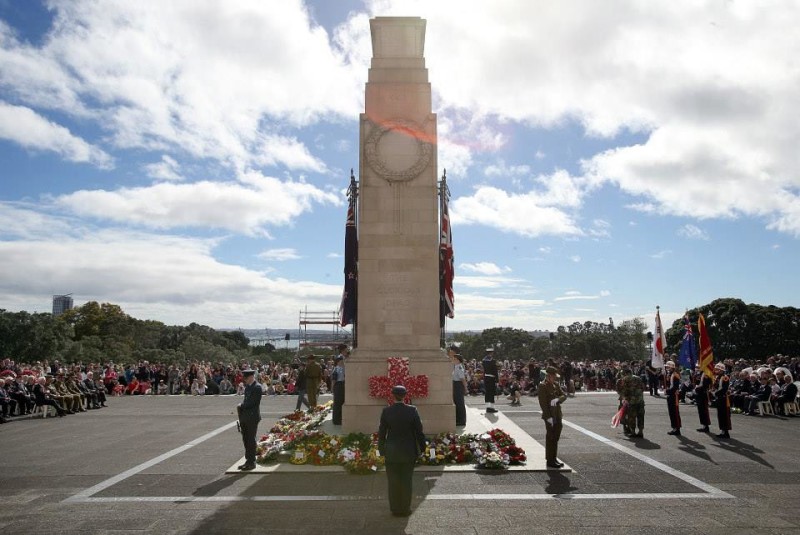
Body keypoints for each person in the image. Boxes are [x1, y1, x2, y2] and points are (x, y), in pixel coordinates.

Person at [378, 385, 426, 517]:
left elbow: (382, 434)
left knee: (393, 481)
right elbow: (419, 432)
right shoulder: (412, 410)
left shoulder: (386, 411)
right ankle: (405, 508)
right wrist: (422, 448)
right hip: (408, 450)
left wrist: (381, 451)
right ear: (405, 396)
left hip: (391, 451)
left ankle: (395, 508)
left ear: (392, 395)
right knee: (406, 480)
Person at [538, 366, 567, 468]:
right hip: (550, 415)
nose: (555, 378)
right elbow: (543, 404)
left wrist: (558, 400)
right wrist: (548, 417)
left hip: (557, 414)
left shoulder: (555, 385)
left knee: (556, 436)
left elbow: (564, 395)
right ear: (549, 375)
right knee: (551, 436)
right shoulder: (542, 386)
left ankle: (554, 458)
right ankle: (550, 460)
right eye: (554, 376)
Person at [236, 369, 262, 471]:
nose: (245, 380)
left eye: (246, 378)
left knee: (251, 440)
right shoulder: (248, 387)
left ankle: (252, 462)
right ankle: (248, 460)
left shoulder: (257, 387)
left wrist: (241, 405)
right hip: (245, 416)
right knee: (246, 439)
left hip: (252, 417)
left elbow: (253, 403)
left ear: (251, 377)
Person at [711, 362, 732, 438]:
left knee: (724, 415)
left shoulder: (725, 377)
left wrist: (715, 393)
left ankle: (726, 432)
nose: (716, 371)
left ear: (722, 370)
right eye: (716, 369)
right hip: (719, 398)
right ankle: (722, 431)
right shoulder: (718, 377)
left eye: (718, 370)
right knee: (720, 415)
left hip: (723, 398)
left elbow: (724, 389)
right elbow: (715, 386)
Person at [448, 346, 467, 426]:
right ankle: (458, 419)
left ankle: (462, 420)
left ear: (458, 360)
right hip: (455, 385)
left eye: (455, 359)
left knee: (460, 403)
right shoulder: (455, 366)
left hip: (458, 385)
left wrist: (465, 388)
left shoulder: (459, 367)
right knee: (456, 402)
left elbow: (463, 379)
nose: (453, 360)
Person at [665, 361, 682, 436]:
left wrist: (667, 391)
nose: (667, 368)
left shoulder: (675, 375)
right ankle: (674, 427)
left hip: (674, 396)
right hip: (670, 395)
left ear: (672, 367)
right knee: (671, 412)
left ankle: (677, 428)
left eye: (668, 367)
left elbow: (675, 387)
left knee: (675, 412)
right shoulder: (670, 374)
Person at [482, 347, 498, 413]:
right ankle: (491, 408)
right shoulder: (493, 361)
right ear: (491, 353)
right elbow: (495, 371)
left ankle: (487, 407)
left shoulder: (483, 360)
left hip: (486, 378)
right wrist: (497, 380)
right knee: (491, 393)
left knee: (487, 393)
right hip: (491, 378)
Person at [331, 355, 346, 425]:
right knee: (337, 403)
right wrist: (332, 388)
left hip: (342, 385)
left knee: (341, 402)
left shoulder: (343, 368)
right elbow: (334, 380)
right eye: (341, 360)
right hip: (338, 385)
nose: (343, 362)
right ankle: (336, 420)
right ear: (338, 362)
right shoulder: (337, 369)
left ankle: (340, 418)